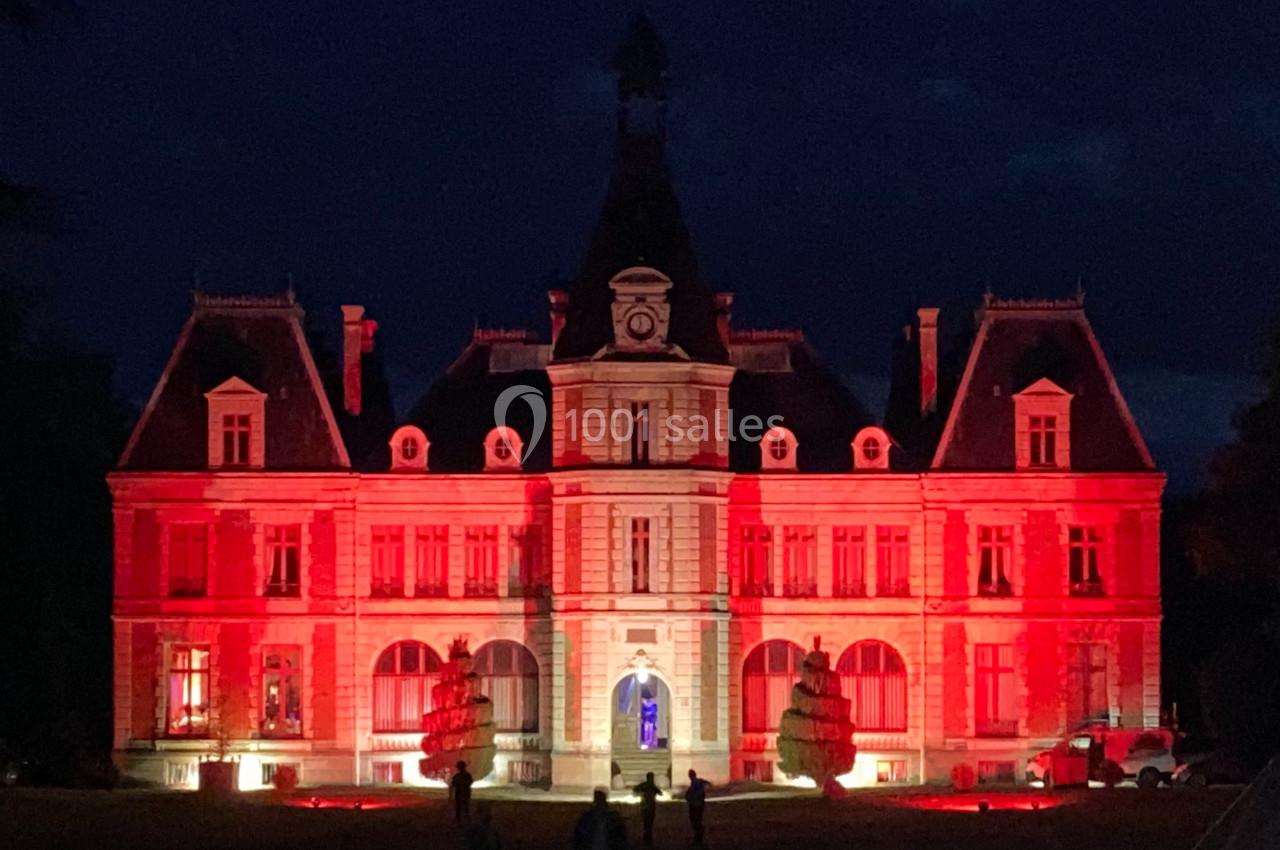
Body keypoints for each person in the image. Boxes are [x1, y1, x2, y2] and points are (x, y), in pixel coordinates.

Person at [632, 771, 663, 846]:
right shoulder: (647, 786)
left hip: (649, 807)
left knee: (649, 823)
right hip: (647, 807)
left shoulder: (651, 786)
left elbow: (660, 793)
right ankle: (647, 838)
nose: (652, 779)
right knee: (647, 823)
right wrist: (641, 793)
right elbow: (635, 790)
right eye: (651, 778)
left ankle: (647, 838)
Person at [684, 769, 711, 845]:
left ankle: (699, 833)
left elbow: (693, 793)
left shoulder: (695, 783)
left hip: (695, 804)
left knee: (694, 819)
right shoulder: (699, 781)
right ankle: (699, 832)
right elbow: (707, 783)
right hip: (698, 804)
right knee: (697, 818)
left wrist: (688, 797)